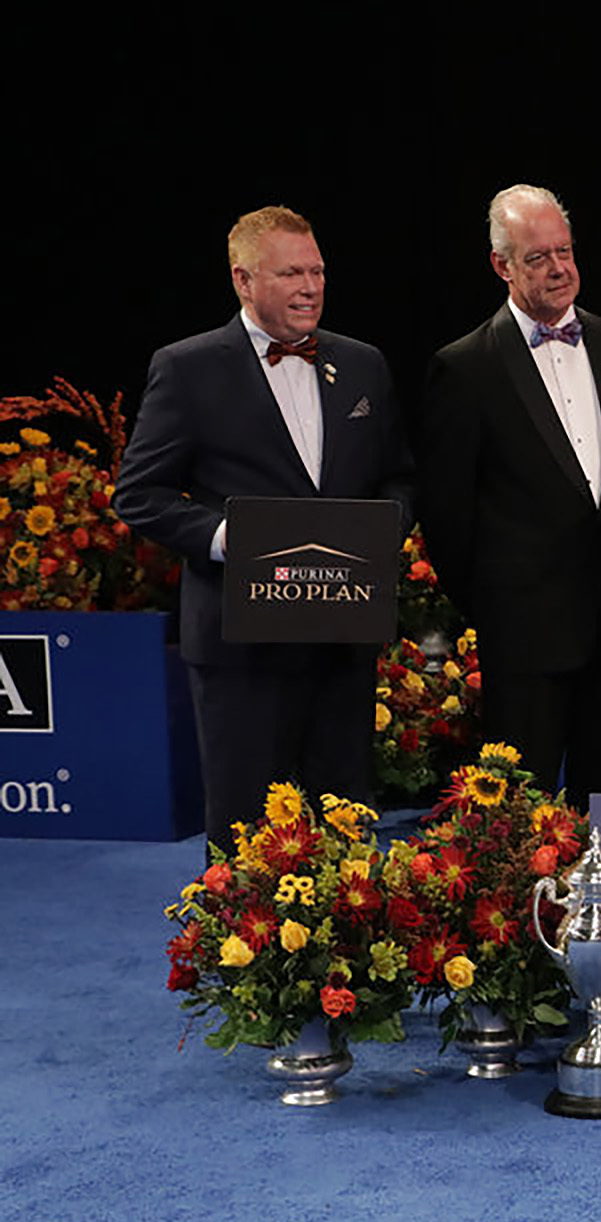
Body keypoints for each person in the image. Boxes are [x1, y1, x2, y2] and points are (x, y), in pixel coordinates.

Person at [116, 205, 414, 853]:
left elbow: (399, 478)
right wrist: (230, 540)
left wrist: (383, 532)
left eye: (318, 271)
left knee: (348, 831)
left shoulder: (363, 365)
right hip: (239, 650)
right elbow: (139, 494)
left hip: (341, 640)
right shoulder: (188, 368)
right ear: (243, 280)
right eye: (290, 274)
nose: (311, 287)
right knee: (246, 839)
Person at [418, 184, 601, 811]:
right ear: (502, 265)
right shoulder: (465, 366)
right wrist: (497, 612)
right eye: (538, 258)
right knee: (516, 822)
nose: (559, 269)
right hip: (524, 642)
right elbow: (447, 515)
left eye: (565, 251)